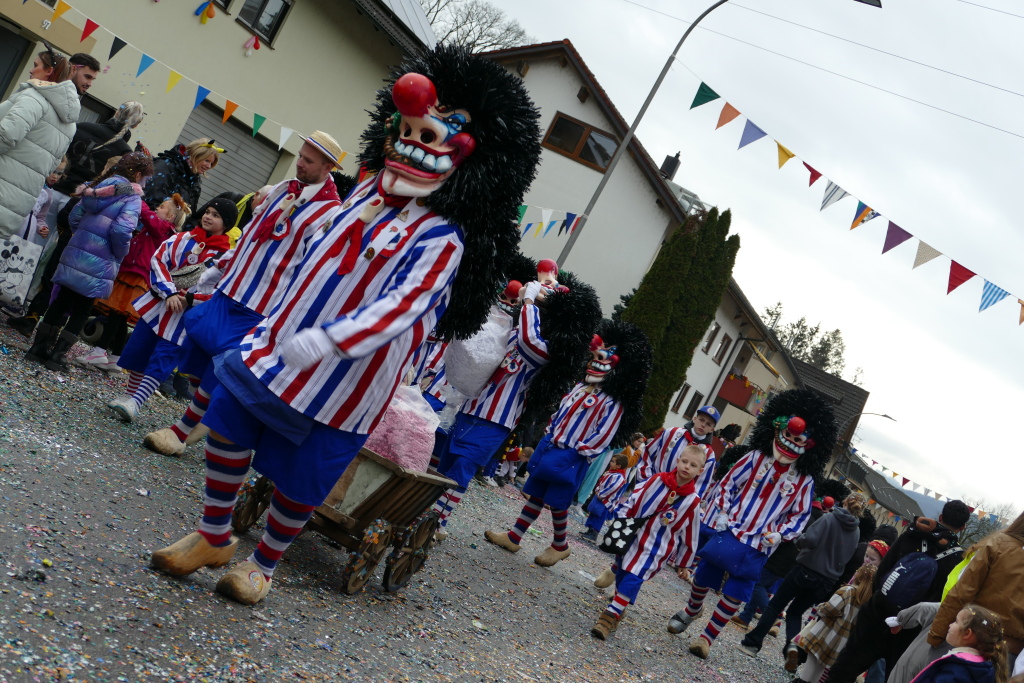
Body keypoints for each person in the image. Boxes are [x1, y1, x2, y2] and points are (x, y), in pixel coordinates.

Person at [147, 45, 543, 606]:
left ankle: (262, 565)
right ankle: (214, 536)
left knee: (306, 475)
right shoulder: (360, 195)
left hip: (350, 382)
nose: (417, 135)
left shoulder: (442, 240)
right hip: (279, 345)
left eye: (444, 128)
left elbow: (406, 306)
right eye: (413, 124)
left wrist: (334, 339)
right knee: (228, 414)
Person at [139, 131, 345, 457]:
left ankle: (181, 432)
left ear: (328, 166)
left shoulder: (331, 214)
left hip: (262, 306)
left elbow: (314, 270)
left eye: (308, 161)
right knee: (196, 345)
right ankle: (210, 418)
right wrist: (214, 272)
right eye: (301, 155)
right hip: (229, 290)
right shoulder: (281, 189)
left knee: (220, 368)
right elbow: (248, 237)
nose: (300, 164)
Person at [665, 389, 839, 660]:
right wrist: (722, 513)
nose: (790, 443)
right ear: (777, 431)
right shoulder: (755, 458)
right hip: (731, 529)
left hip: (759, 544)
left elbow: (799, 517)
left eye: (798, 439)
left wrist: (780, 535)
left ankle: (707, 637)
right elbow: (727, 484)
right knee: (702, 576)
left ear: (808, 445)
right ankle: (692, 610)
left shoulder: (804, 482)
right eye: (788, 435)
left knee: (737, 591)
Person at [432, 271, 600, 538]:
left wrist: (531, 302)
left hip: (495, 421)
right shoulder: (516, 332)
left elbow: (528, 339)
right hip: (469, 408)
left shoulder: (545, 350)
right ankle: (425, 512)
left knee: (461, 469)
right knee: (443, 465)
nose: (540, 314)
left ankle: (436, 522)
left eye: (546, 312)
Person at [484, 321, 652, 568]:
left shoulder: (612, 402)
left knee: (558, 503)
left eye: (610, 351)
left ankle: (559, 545)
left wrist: (579, 451)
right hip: (553, 448)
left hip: (572, 456)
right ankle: (514, 536)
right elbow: (559, 414)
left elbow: (604, 435)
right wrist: (550, 435)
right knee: (537, 494)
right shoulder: (579, 387)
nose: (599, 355)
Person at [105, 198, 233, 422]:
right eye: (208, 212)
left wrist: (190, 298)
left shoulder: (226, 257)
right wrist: (170, 292)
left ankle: (136, 402)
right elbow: (158, 261)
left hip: (186, 316)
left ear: (226, 223)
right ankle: (129, 396)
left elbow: (222, 291)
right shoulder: (183, 238)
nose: (208, 217)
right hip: (159, 305)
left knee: (163, 357)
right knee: (139, 349)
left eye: (216, 215)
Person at [25, 152, 151, 370]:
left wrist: (82, 236)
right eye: (145, 177)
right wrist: (120, 252)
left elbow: (74, 216)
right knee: (82, 308)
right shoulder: (132, 198)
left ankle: (38, 349)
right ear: (138, 174)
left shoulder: (96, 188)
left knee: (61, 300)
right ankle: (58, 355)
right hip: (101, 260)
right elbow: (122, 230)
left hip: (76, 251)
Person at [826, 500, 972, 683]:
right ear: (963, 527)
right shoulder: (958, 558)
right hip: (908, 628)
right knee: (894, 677)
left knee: (845, 668)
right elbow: (939, 597)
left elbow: (883, 570)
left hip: (877, 613)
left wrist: (880, 598)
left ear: (940, 517)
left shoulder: (913, 535)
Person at [887, 510, 1024, 683]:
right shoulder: (1000, 546)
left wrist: (936, 635)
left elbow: (961, 593)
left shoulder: (999, 545)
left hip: (971, 640)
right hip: (1011, 658)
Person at [739, 491, 868, 669]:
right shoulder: (856, 532)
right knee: (795, 613)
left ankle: (752, 644)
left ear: (844, 502)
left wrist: (799, 542)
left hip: (806, 569)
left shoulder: (829, 518)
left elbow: (811, 539)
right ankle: (793, 648)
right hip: (826, 580)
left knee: (776, 605)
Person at [590, 444, 705, 639]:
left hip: (656, 549)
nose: (687, 467)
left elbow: (690, 534)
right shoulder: (657, 480)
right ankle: (619, 607)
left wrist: (684, 564)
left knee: (635, 576)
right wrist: (622, 517)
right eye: (684, 461)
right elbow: (633, 498)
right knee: (624, 574)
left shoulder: (692, 502)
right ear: (677, 461)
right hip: (632, 538)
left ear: (700, 471)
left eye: (693, 465)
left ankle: (608, 617)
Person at [79, 193, 190, 372]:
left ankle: (99, 351)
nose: (156, 209)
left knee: (116, 312)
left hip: (136, 274)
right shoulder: (160, 229)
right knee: (121, 316)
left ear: (170, 217)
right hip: (135, 272)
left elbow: (148, 217)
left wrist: (138, 200)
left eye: (161, 207)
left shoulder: (163, 228)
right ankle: (115, 357)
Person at [0, 46, 79, 242]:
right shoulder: (69, 124)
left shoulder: (34, 98)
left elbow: (6, 135)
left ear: (49, 71)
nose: (31, 70)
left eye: (36, 65)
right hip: (17, 204)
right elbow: (52, 166)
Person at [791, 564, 879, 683]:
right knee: (820, 670)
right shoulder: (868, 601)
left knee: (809, 668)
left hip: (825, 635)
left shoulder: (848, 590)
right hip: (840, 642)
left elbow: (830, 609)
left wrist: (820, 607)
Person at [911, 604, 1008, 683]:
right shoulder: (982, 666)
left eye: (956, 622)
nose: (950, 625)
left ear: (967, 633)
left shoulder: (956, 667)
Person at [143, 138, 221, 217]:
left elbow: (189, 215)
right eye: (207, 160)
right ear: (195, 155)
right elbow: (149, 201)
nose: (209, 166)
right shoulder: (165, 167)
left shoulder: (194, 181)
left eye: (211, 163)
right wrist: (167, 226)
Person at [581, 451, 630, 542]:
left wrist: (602, 494)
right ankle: (589, 530)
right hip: (599, 497)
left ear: (619, 466)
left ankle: (594, 533)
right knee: (593, 513)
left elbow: (613, 487)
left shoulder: (619, 476)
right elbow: (602, 482)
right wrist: (597, 490)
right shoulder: (611, 473)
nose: (610, 463)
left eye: (613, 462)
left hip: (606, 501)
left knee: (599, 516)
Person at [19, 158, 66, 248]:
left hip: (28, 229)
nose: (55, 177)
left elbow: (40, 217)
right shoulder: (28, 183)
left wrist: (42, 227)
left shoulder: (48, 194)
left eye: (59, 173)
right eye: (53, 171)